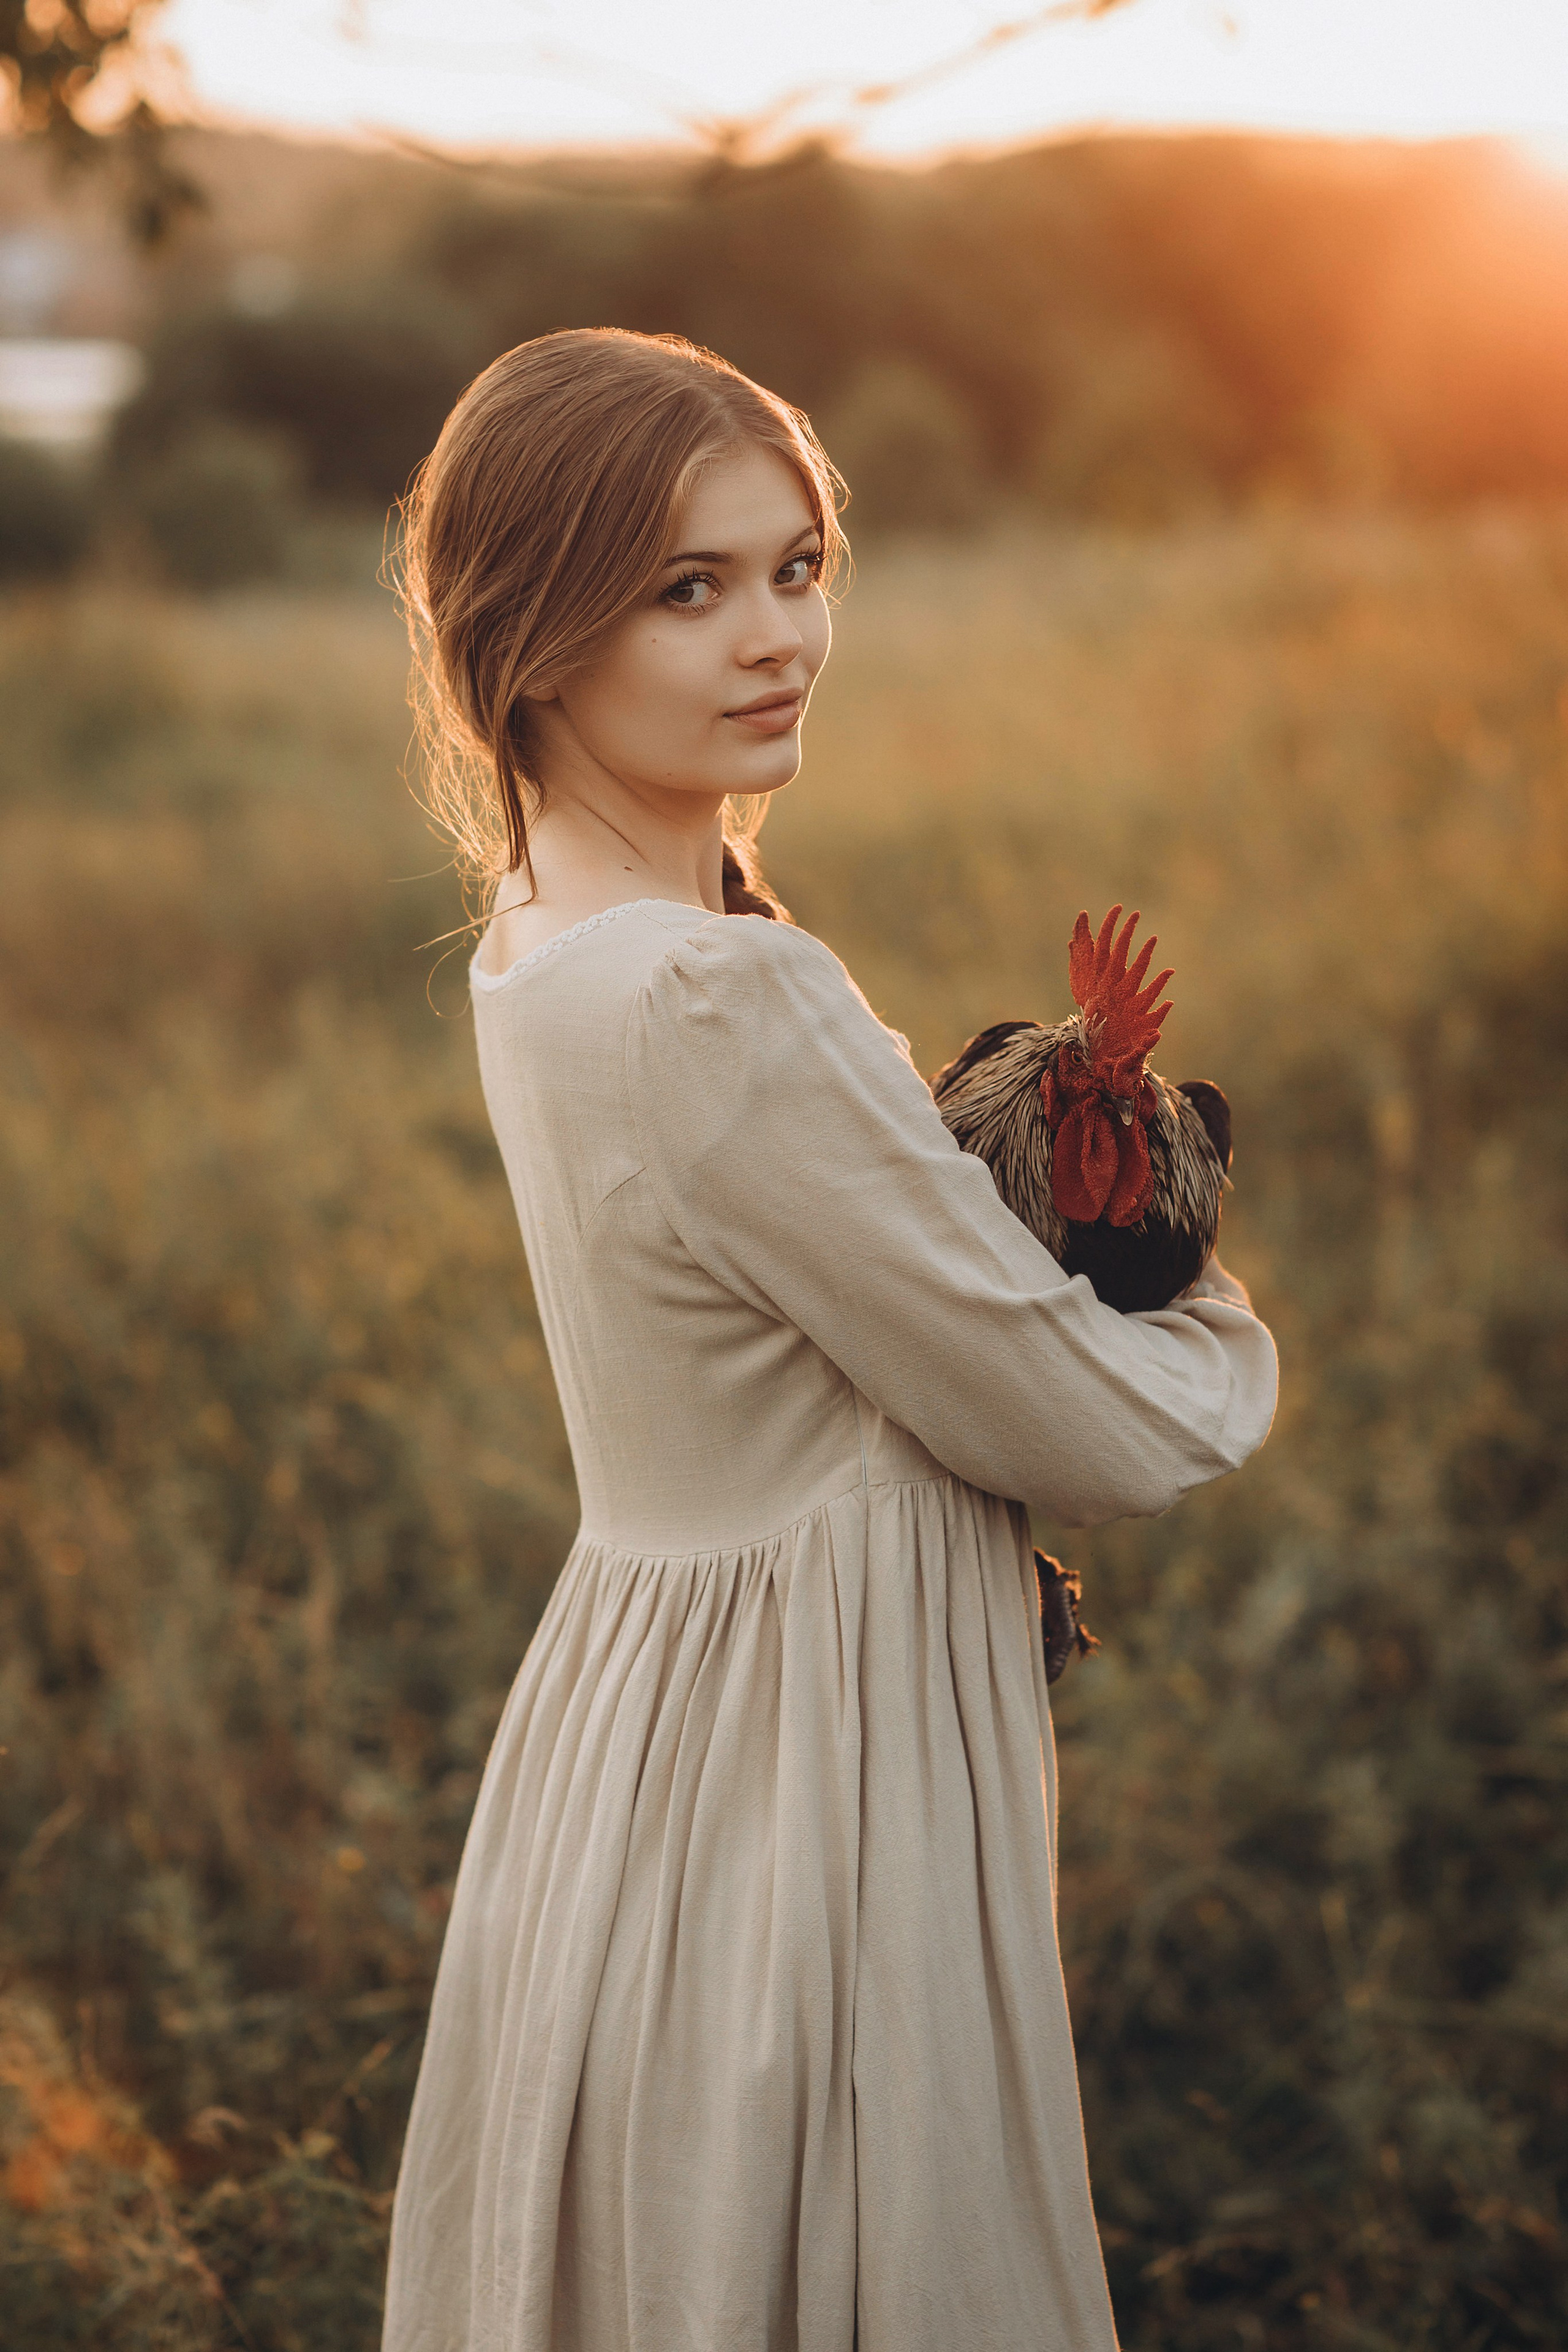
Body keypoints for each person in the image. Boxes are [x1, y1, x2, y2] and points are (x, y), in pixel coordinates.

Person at [382, 328, 1277, 2352]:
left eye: (796, 568)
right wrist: (1210, 1315)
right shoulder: (714, 997)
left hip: (638, 1726)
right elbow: (1101, 1438)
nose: (776, 635)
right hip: (808, 1759)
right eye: (688, 589)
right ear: (530, 633)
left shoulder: (537, 942)